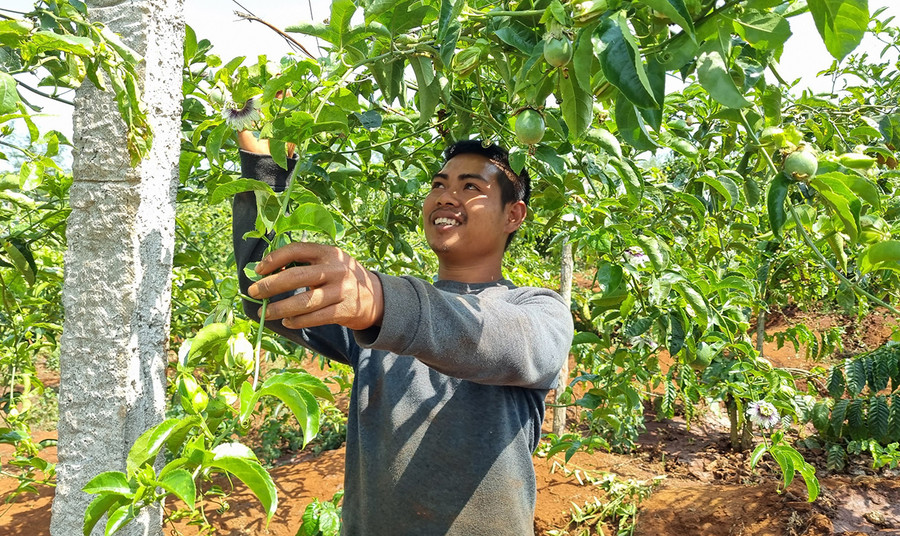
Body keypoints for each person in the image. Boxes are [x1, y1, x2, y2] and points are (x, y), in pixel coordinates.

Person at [232, 137, 573, 535]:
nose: (445, 197)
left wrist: (381, 301)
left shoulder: (539, 309)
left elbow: (503, 341)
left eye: (470, 187)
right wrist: (266, 170)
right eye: (438, 184)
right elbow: (267, 294)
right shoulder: (377, 315)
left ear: (513, 214)